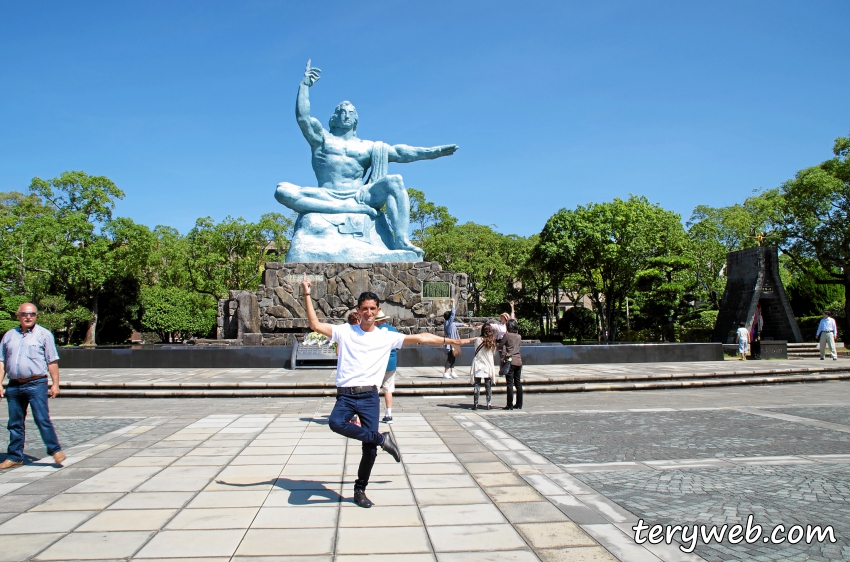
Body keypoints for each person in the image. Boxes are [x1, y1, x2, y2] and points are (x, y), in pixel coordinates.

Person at [301, 273, 463, 508]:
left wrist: (450, 341)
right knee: (336, 423)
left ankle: (360, 489)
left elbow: (420, 338)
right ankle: (382, 438)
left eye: (373, 308)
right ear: (358, 310)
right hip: (346, 395)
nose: (368, 312)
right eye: (364, 308)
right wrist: (307, 292)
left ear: (377, 311)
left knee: (369, 449)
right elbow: (314, 324)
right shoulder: (345, 332)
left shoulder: (386, 336)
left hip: (369, 396)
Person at [0, 303, 65, 469]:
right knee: (15, 422)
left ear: (36, 316)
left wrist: (55, 384)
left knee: (42, 418)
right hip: (14, 385)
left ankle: (55, 450)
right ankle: (15, 456)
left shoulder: (44, 334)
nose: (28, 317)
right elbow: (2, 361)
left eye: (32, 314)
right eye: (24, 314)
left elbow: (52, 360)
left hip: (36, 383)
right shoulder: (9, 335)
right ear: (18, 315)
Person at [375, 311, 398, 424]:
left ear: (378, 321)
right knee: (388, 389)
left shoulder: (375, 331)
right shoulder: (393, 330)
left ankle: (372, 414)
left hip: (378, 363)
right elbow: (398, 346)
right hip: (391, 362)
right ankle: (388, 415)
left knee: (373, 389)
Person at [467, 324, 497, 410]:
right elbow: (493, 353)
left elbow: (476, 350)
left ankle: (475, 404)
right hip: (487, 365)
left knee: (477, 385)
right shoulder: (492, 341)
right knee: (488, 385)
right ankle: (489, 404)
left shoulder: (477, 340)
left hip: (478, 364)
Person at [499, 319, 523, 410]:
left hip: (510, 361)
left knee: (509, 384)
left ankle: (510, 405)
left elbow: (501, 344)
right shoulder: (519, 336)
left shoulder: (507, 335)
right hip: (519, 361)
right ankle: (519, 404)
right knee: (518, 383)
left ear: (508, 326)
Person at [443, 298, 466, 379]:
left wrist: (462, 324)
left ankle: (452, 372)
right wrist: (453, 302)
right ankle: (445, 373)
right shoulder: (448, 323)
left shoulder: (450, 323)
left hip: (453, 343)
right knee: (450, 358)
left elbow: (455, 323)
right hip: (450, 344)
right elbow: (453, 314)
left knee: (453, 357)